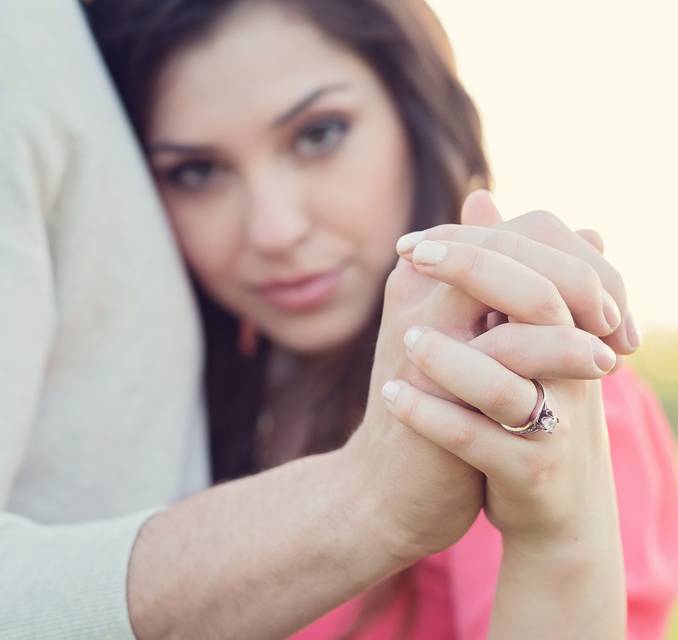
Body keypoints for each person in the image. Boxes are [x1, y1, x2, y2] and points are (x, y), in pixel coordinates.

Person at [1, 1, 628, 638]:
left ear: (415, 112)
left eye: (318, 134)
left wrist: (562, 543)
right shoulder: (194, 402)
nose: (274, 229)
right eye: (197, 172)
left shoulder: (521, 387)